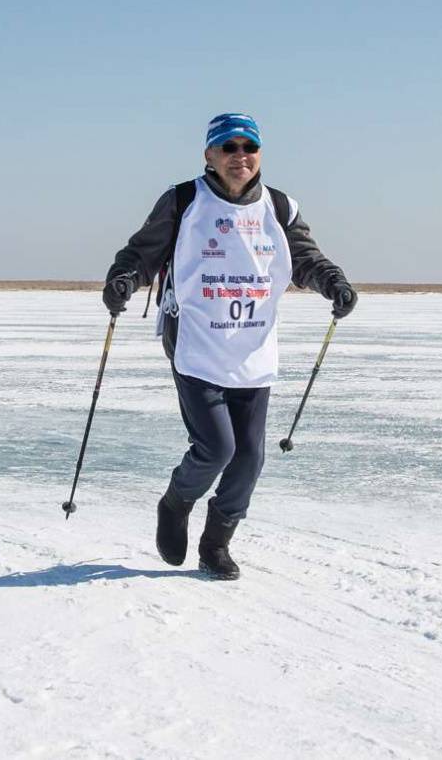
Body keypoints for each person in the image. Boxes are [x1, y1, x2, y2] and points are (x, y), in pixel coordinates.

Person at [103, 113, 357, 581]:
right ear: (210, 156)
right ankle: (176, 502)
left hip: (253, 348)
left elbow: (304, 258)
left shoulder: (279, 208)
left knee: (250, 456)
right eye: (229, 147)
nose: (240, 155)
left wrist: (333, 283)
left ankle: (216, 543)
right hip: (196, 341)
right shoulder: (184, 201)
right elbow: (143, 253)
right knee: (216, 448)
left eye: (249, 147)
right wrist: (123, 279)